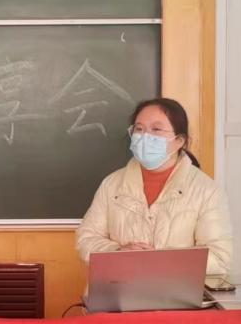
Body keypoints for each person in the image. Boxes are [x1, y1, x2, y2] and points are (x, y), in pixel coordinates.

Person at [75, 97, 232, 276]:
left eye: (156, 129)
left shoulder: (206, 191)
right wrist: (117, 252)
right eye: (139, 129)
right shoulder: (112, 184)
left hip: (176, 292)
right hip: (118, 289)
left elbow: (219, 258)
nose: (145, 136)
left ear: (179, 140)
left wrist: (159, 261)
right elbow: (86, 239)